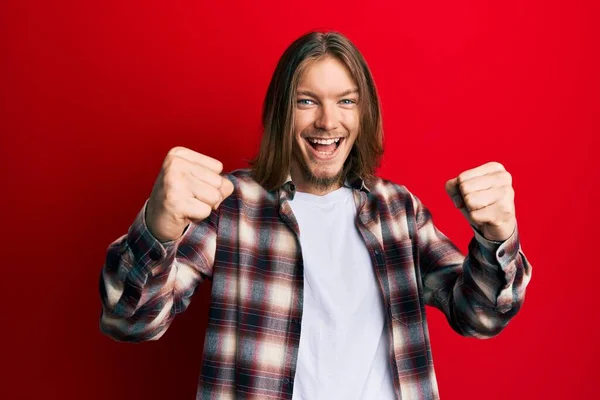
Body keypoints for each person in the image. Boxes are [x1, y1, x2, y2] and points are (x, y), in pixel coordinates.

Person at [99, 31, 532, 400]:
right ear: (281, 111)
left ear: (363, 113)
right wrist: (158, 226)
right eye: (307, 101)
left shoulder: (398, 210)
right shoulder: (230, 206)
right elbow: (131, 321)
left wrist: (497, 238)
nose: (328, 121)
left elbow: (480, 316)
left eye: (346, 101)